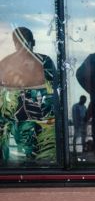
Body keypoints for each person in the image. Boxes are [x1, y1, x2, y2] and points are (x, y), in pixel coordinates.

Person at [0, 27, 57, 163]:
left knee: (15, 165)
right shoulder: (44, 61)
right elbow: (55, 93)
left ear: (14, 43)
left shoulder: (4, 64)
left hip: (15, 125)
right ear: (34, 41)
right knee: (45, 161)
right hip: (41, 124)